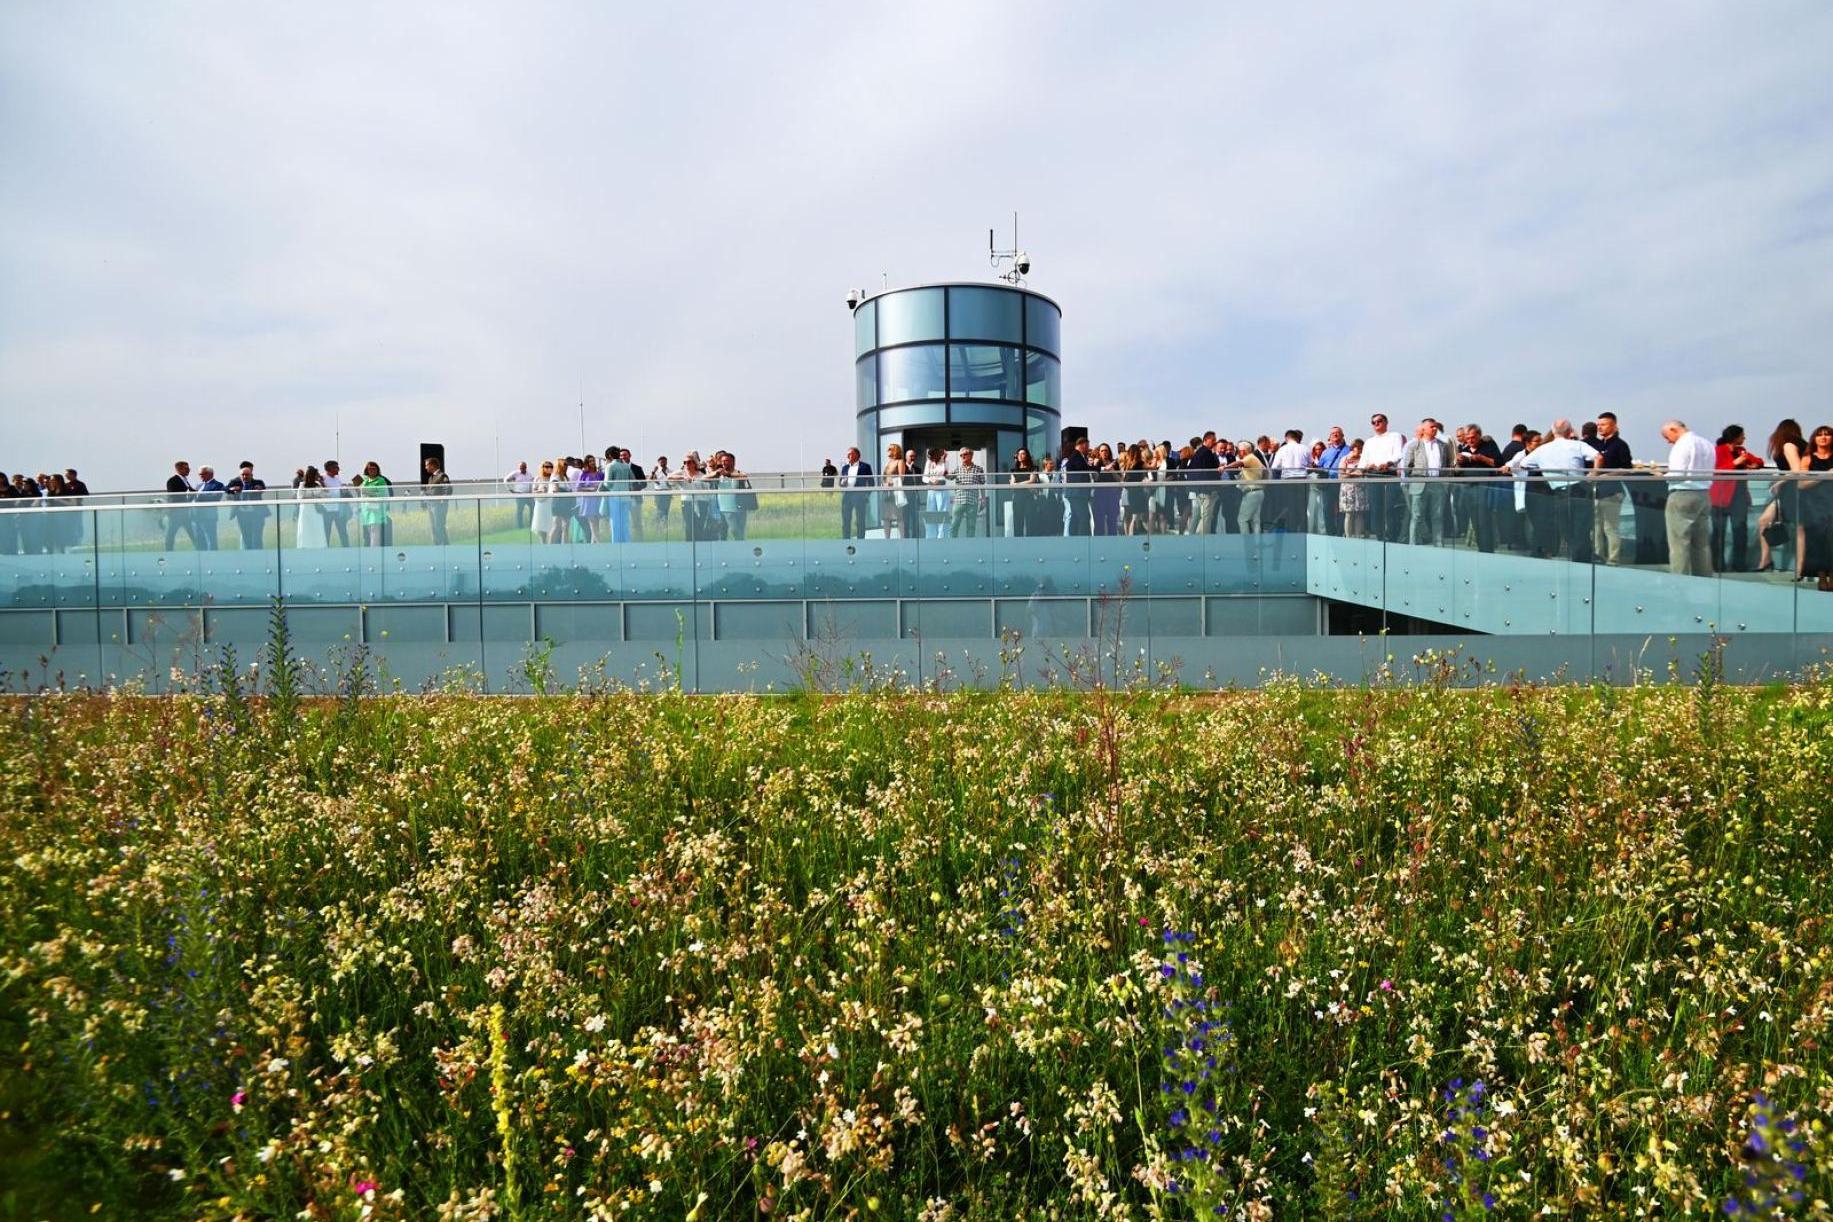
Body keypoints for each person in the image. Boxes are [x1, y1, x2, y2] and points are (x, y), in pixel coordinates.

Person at [1661, 419, 1715, 577]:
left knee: (1679, 543)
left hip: (1682, 494)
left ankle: (1679, 582)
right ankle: (1704, 580)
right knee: (1702, 544)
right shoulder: (1707, 444)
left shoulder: (1682, 445)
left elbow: (1677, 474)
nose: (1668, 441)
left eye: (1667, 436)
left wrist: (1661, 476)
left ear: (1674, 429)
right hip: (1704, 494)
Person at [1709, 425, 1764, 573]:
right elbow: (1715, 470)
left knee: (1740, 530)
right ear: (1735, 436)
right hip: (1720, 495)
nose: (1744, 438)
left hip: (1739, 496)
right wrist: (1735, 463)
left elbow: (1759, 461)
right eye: (1742, 435)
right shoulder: (1718, 451)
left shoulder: (1741, 451)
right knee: (1718, 532)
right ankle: (1717, 565)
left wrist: (1753, 464)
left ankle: (1739, 564)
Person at [1757, 420, 1809, 575]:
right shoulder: (1800, 444)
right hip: (1793, 490)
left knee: (1800, 529)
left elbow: (1796, 471)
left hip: (1794, 490)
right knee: (1764, 521)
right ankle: (1766, 560)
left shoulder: (1788, 445)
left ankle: (1800, 569)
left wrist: (1780, 481)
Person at [1586, 412, 1634, 565]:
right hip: (1595, 492)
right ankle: (1597, 557)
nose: (1600, 427)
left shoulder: (1620, 445)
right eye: (1598, 425)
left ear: (1614, 425)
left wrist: (1606, 475)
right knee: (1595, 528)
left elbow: (1627, 469)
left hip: (1612, 492)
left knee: (1610, 527)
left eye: (1604, 424)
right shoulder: (1597, 445)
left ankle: (1613, 559)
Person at [1401, 420, 1454, 545]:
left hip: (1438, 484)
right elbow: (1407, 467)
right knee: (1417, 517)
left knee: (1438, 516)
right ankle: (1413, 545)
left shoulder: (1443, 445)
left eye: (1435, 427)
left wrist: (1445, 483)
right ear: (1423, 430)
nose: (1435, 429)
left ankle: (1438, 545)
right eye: (1432, 427)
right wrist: (1411, 482)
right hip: (1419, 483)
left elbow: (1447, 465)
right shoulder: (1414, 445)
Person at [1454, 425, 1504, 552]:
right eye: (1468, 438)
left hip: (1484, 487)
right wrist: (1459, 461)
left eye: (1473, 438)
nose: (1470, 440)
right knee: (1475, 520)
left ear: (1479, 436)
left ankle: (1487, 550)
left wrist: (1480, 458)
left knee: (1484, 520)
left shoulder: (1489, 445)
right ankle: (1482, 548)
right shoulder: (1464, 449)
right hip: (1468, 487)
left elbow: (1498, 463)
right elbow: (1457, 470)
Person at [1360, 413, 1406, 540]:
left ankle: (1392, 536)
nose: (1376, 424)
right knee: (1376, 508)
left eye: (1379, 421)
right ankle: (1380, 537)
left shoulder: (1395, 436)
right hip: (1373, 475)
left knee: (1390, 507)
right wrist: (1368, 466)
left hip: (1389, 473)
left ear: (1386, 422)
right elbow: (1362, 462)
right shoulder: (1369, 441)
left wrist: (1388, 463)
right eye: (1373, 422)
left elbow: (1398, 454)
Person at [1800, 424, 1833, 589]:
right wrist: (1826, 475)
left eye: (1827, 434)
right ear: (1814, 438)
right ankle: (1821, 576)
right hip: (1814, 504)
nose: (1824, 437)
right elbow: (1802, 484)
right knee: (1817, 540)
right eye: (1820, 435)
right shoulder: (1807, 458)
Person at [225, 462, 269, 551]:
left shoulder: (258, 482)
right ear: (240, 475)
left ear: (251, 474)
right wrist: (232, 489)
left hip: (257, 514)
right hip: (242, 514)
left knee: (257, 537)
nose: (245, 477)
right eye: (243, 475)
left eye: (247, 474)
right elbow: (225, 490)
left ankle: (258, 556)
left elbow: (263, 488)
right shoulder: (234, 482)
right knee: (246, 537)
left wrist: (259, 489)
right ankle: (249, 556)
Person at [1230, 440, 1269, 533]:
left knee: (1242, 520)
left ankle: (1247, 545)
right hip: (1258, 491)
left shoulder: (1249, 458)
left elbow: (1238, 463)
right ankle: (1255, 544)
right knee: (1255, 520)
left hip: (1251, 492)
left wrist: (1225, 467)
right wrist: (1263, 485)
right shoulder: (1255, 458)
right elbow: (1266, 471)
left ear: (1243, 451)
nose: (1238, 453)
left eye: (1238, 451)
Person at [949, 446, 987, 538]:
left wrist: (983, 499)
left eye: (965, 454)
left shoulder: (978, 469)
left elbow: (982, 485)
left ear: (971, 455)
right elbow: (949, 477)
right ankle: (952, 546)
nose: (962, 456)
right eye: (961, 455)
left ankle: (970, 546)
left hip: (972, 501)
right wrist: (943, 470)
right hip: (959, 500)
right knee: (954, 525)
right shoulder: (957, 469)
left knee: (971, 526)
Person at [1061, 436, 1095, 536]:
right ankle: (1083, 541)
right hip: (1077, 493)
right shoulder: (1076, 456)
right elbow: (1084, 469)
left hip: (1077, 493)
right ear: (1081, 445)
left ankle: (1074, 540)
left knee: (1076, 517)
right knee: (1084, 517)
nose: (1088, 448)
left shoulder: (1079, 457)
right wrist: (1100, 468)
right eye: (1087, 446)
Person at [716, 451, 752, 540]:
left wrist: (728, 474)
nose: (723, 463)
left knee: (738, 531)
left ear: (733, 462)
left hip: (739, 508)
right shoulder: (718, 474)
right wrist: (716, 473)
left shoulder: (739, 473)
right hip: (723, 509)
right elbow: (705, 478)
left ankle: (740, 549)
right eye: (722, 461)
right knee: (723, 533)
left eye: (726, 461)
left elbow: (744, 476)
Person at [163, 460, 199, 551]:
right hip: (175, 513)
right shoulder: (172, 481)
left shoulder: (185, 481)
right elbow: (174, 497)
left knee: (193, 534)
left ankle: (199, 551)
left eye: (188, 468)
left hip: (185, 513)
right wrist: (188, 497)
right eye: (186, 468)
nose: (188, 470)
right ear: (179, 469)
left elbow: (191, 492)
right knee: (171, 534)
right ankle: (169, 552)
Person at [838, 447, 873, 539]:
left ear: (857, 455)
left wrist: (866, 495)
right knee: (846, 520)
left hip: (860, 496)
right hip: (847, 496)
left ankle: (861, 540)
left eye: (850, 454)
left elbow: (871, 483)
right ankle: (846, 541)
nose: (848, 456)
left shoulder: (865, 467)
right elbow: (840, 483)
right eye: (848, 454)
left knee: (860, 520)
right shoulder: (845, 467)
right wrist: (842, 483)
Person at [356, 461, 392, 547]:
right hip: (367, 511)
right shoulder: (365, 481)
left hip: (377, 511)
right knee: (369, 534)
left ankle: (375, 553)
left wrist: (368, 492)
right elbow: (361, 494)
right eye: (370, 469)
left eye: (374, 469)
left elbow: (381, 493)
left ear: (377, 470)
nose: (372, 470)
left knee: (375, 534)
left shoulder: (381, 480)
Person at [1337, 439, 1368, 538]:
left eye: (1361, 449)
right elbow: (1341, 475)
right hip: (1347, 489)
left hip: (1360, 488)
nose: (1359, 451)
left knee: (1359, 513)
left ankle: (1358, 536)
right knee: (1348, 514)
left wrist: (1350, 473)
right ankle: (1348, 536)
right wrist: (1354, 473)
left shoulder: (1364, 459)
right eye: (1357, 448)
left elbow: (1363, 473)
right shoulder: (1345, 459)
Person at [882, 443, 913, 538]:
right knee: (886, 517)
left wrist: (891, 484)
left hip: (896, 492)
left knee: (899, 516)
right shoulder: (887, 463)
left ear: (896, 450)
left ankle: (902, 539)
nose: (888, 450)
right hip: (886, 493)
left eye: (890, 449)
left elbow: (901, 478)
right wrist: (883, 484)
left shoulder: (900, 462)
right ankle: (887, 540)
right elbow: (883, 477)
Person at [1091, 443, 1122, 536]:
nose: (1104, 452)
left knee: (1112, 521)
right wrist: (1098, 467)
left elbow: (1120, 479)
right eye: (1102, 451)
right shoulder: (1097, 463)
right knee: (1099, 522)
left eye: (1106, 450)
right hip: (1099, 495)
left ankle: (1112, 543)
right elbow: (1095, 478)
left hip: (1112, 495)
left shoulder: (1114, 463)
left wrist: (1112, 470)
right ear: (1099, 453)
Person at [294, 466, 328, 549]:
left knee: (317, 527)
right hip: (306, 509)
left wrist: (322, 484)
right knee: (306, 528)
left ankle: (318, 546)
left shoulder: (318, 485)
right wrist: (313, 497)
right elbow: (300, 497)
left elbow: (325, 495)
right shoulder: (302, 485)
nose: (317, 476)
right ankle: (305, 546)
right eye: (316, 475)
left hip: (316, 510)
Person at [193, 466, 225, 550]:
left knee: (211, 540)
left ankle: (213, 559)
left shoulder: (218, 485)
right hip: (196, 517)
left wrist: (198, 497)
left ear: (211, 474)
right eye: (200, 474)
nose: (201, 476)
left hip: (208, 517)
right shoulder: (198, 485)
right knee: (200, 541)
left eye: (203, 474)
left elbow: (215, 498)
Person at [922, 447, 950, 539]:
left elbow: (946, 476)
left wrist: (945, 458)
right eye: (931, 456)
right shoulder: (929, 462)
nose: (932, 458)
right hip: (931, 491)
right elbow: (924, 477)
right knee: (931, 513)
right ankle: (930, 537)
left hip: (942, 490)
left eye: (934, 455)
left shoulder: (945, 462)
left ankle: (942, 537)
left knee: (942, 513)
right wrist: (931, 482)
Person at [321, 460, 352, 546]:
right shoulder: (322, 478)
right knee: (327, 532)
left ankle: (347, 550)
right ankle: (326, 550)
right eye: (336, 467)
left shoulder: (337, 479)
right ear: (329, 468)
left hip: (339, 510)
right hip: (327, 510)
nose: (338, 469)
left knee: (343, 532)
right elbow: (323, 493)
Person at [423, 455, 452, 545]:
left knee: (439, 526)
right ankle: (438, 545)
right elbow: (430, 491)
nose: (425, 467)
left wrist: (442, 501)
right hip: (431, 505)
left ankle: (444, 545)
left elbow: (448, 490)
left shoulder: (442, 476)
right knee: (434, 527)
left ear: (432, 465)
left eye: (427, 465)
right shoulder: (431, 478)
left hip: (439, 506)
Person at [504, 461, 534, 530]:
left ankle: (531, 524)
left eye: (523, 467)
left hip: (528, 494)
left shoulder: (529, 474)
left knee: (533, 508)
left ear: (526, 467)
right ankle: (520, 527)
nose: (522, 469)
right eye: (521, 468)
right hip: (519, 494)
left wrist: (532, 492)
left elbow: (532, 483)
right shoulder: (516, 473)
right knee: (520, 511)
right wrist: (510, 489)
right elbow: (506, 479)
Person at [652, 457, 674, 533]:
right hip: (659, 492)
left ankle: (665, 527)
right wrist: (653, 472)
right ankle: (658, 528)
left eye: (664, 462)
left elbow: (672, 481)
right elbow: (651, 479)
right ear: (659, 462)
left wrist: (665, 472)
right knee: (659, 510)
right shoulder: (656, 471)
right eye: (661, 462)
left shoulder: (670, 471)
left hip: (667, 492)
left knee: (666, 510)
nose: (663, 463)